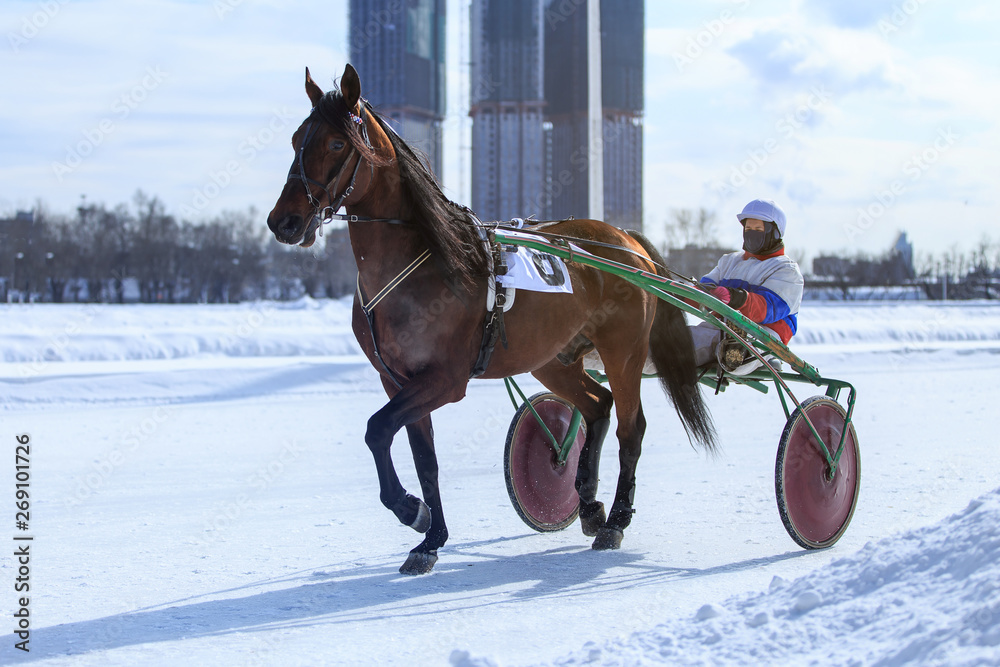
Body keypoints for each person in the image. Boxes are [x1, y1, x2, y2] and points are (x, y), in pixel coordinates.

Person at [691, 198, 804, 374]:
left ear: (774, 233)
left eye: (758, 229)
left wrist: (737, 298)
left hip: (764, 334)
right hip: (720, 325)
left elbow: (768, 308)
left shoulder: (786, 269)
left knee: (738, 358)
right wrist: (679, 292)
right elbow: (703, 289)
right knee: (675, 345)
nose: (752, 233)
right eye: (748, 229)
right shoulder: (730, 261)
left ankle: (739, 353)